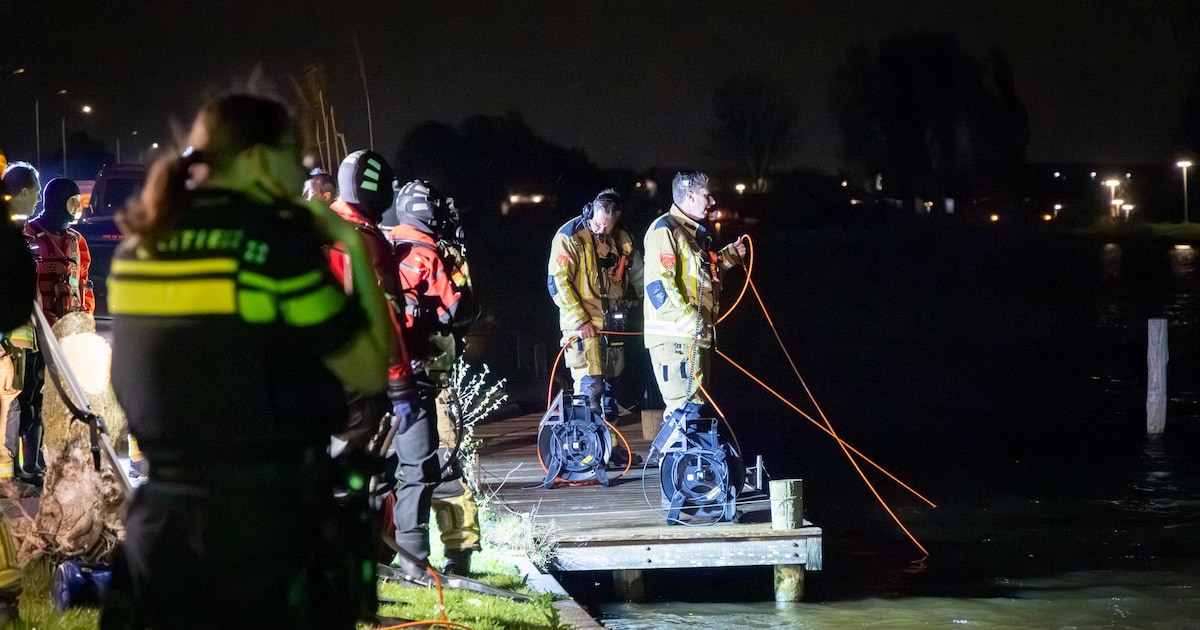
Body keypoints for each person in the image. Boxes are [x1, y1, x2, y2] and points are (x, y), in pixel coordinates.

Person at [101, 94, 395, 629]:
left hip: (160, 527)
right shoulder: (273, 246)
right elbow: (369, 368)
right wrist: (350, 245)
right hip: (260, 533)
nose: (302, 171)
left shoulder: (142, 244)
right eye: (296, 156)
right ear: (261, 159)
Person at [385, 180, 478, 576]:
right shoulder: (433, 254)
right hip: (430, 377)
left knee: (388, 468)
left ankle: (385, 549)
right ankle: (458, 554)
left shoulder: (381, 245)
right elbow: (460, 308)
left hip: (385, 378)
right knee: (444, 465)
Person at [548, 189, 644, 467]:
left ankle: (610, 448)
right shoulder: (569, 237)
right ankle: (589, 453)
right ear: (590, 212)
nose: (603, 230)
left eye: (608, 226)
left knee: (612, 392)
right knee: (590, 388)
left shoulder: (622, 239)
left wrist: (640, 305)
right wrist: (580, 320)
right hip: (583, 329)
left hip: (614, 327)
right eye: (599, 224)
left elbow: (638, 276)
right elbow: (558, 282)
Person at [643, 171, 746, 430]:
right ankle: (678, 464)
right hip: (676, 338)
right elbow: (660, 286)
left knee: (695, 406)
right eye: (705, 195)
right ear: (689, 196)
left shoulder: (694, 233)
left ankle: (690, 463)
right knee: (683, 409)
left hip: (694, 335)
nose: (711, 201)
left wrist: (730, 256)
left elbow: (703, 275)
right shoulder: (665, 230)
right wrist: (691, 320)